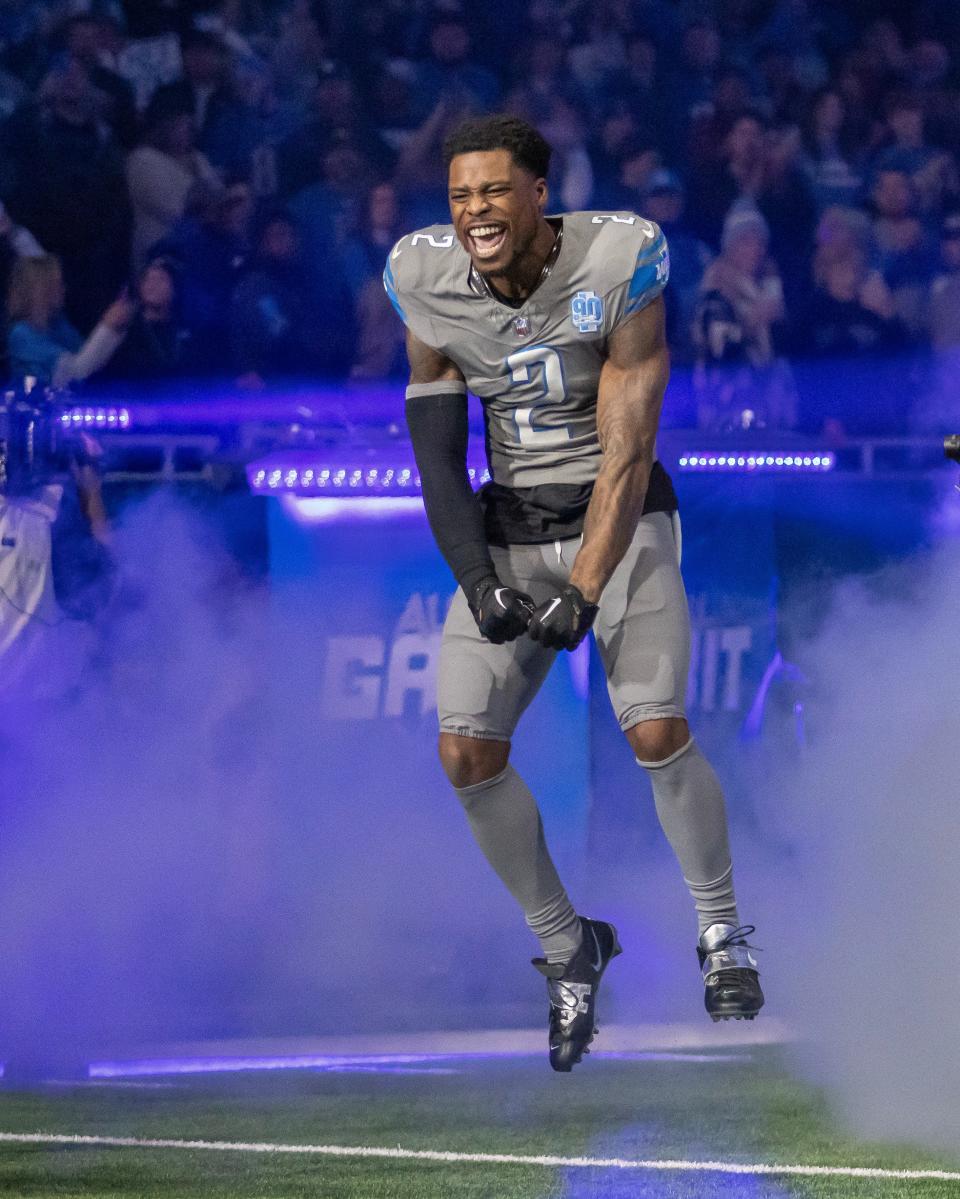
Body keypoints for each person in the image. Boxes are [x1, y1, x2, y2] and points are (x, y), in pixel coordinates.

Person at [385, 114, 763, 1073]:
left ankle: (721, 931)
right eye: (462, 194)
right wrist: (477, 578)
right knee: (464, 751)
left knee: (653, 727)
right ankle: (568, 944)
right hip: (510, 526)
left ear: (539, 194)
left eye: (496, 191)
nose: (477, 211)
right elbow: (437, 459)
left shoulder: (619, 257)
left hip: (619, 519)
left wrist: (584, 590)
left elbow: (629, 449)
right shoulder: (422, 276)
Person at [6, 255, 133, 388]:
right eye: (58, 285)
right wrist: (107, 326)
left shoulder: (58, 325)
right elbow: (76, 372)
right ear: (42, 291)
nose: (63, 289)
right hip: (34, 407)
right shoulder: (21, 335)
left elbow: (91, 363)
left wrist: (118, 326)